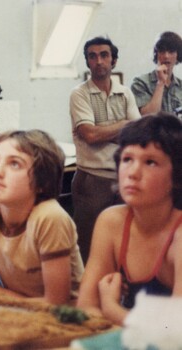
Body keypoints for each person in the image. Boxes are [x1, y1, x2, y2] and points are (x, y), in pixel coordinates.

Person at [77, 113, 182, 325]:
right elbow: (86, 307)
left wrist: (111, 308)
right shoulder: (112, 221)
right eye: (127, 159)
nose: (133, 173)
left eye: (150, 162)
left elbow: (175, 333)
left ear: (177, 176)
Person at [0, 130, 84, 305]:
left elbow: (56, 303)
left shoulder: (49, 217)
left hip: (67, 319)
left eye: (14, 164)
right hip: (17, 311)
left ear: (43, 182)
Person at [69, 36, 142, 263]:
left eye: (104, 55)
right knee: (89, 247)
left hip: (121, 180)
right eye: (92, 56)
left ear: (113, 61)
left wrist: (106, 131)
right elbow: (89, 135)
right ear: (88, 62)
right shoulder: (79, 94)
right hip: (92, 180)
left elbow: (138, 133)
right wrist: (123, 126)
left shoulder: (125, 92)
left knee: (122, 243)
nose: (98, 61)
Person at [131, 31, 182, 116]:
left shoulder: (180, 85)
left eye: (171, 52)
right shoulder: (140, 83)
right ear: (156, 54)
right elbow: (147, 117)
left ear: (178, 55)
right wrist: (160, 83)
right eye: (162, 51)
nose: (166, 56)